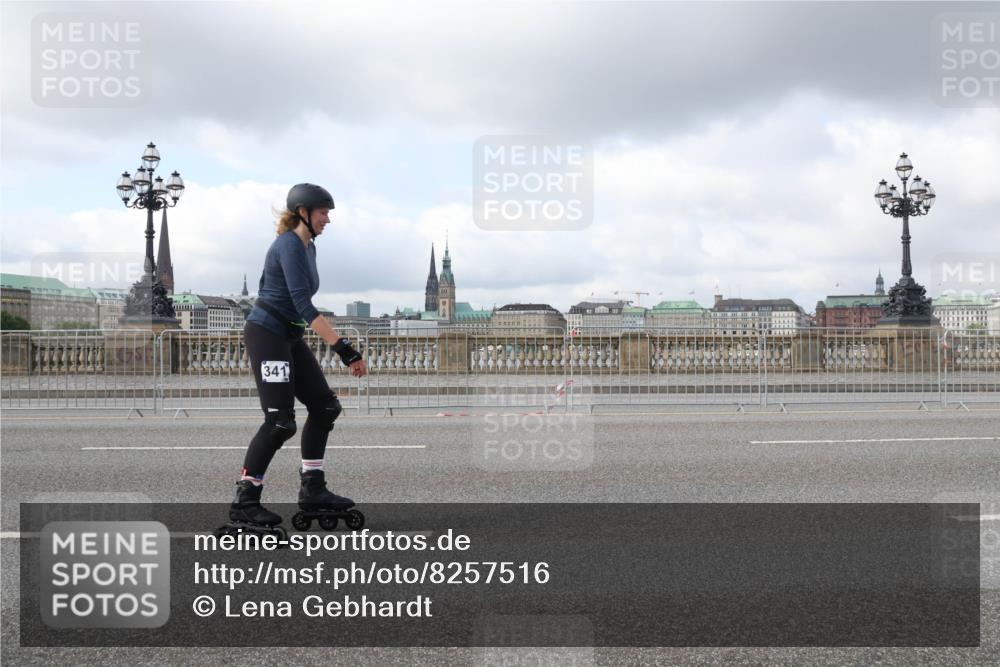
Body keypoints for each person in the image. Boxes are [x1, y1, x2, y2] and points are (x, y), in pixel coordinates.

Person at [230, 183, 367, 528]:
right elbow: (304, 305)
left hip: (289, 335)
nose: (328, 219)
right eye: (323, 213)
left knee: (325, 407)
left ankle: (313, 489)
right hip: (267, 333)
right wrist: (345, 349)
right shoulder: (288, 245)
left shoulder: (308, 248)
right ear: (303, 212)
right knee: (279, 421)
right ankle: (245, 501)